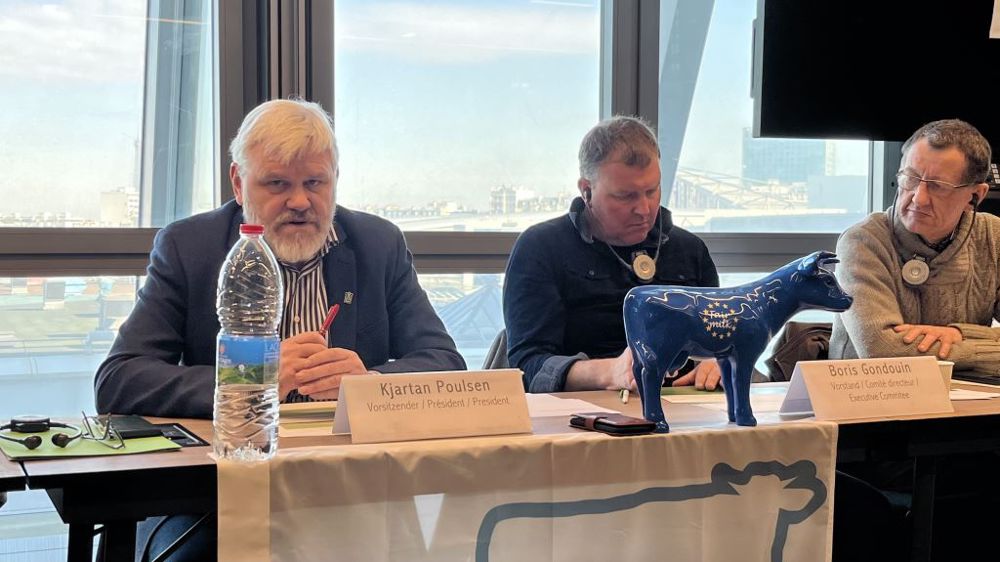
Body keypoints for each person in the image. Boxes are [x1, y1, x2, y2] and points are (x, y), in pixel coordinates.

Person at [95, 98, 466, 417]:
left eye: (315, 183)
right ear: (239, 183)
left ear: (335, 178)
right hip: (232, 468)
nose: (301, 202)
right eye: (277, 184)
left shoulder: (377, 244)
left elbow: (445, 363)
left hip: (351, 473)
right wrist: (254, 375)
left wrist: (370, 384)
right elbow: (119, 380)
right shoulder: (189, 247)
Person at [503, 116, 721, 394]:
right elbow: (527, 367)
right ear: (586, 191)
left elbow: (720, 339)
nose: (644, 209)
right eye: (625, 196)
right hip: (580, 411)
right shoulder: (542, 248)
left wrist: (717, 362)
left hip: (686, 407)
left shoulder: (690, 250)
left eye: (652, 191)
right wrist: (611, 372)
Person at [831, 119, 997, 370]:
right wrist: (982, 347)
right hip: (870, 400)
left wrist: (959, 334)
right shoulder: (862, 242)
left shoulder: (993, 236)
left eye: (938, 187)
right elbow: (882, 352)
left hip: (971, 399)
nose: (918, 198)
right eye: (911, 178)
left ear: (975, 195)